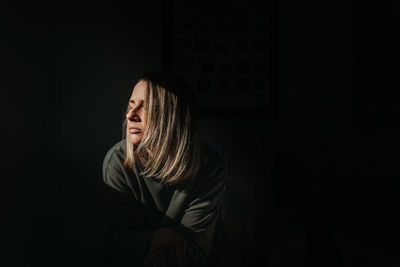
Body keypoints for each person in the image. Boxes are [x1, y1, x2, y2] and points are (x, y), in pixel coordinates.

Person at [102, 70, 227, 267]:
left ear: (172, 115)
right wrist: (163, 238)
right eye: (131, 105)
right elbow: (121, 247)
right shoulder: (118, 162)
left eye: (145, 107)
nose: (130, 115)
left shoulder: (209, 165)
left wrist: (151, 241)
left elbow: (194, 251)